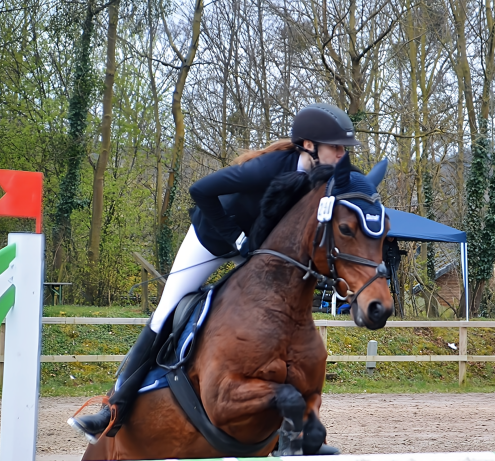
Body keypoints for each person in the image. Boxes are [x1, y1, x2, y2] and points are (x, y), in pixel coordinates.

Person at [68, 103, 361, 442]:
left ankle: (295, 428)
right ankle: (113, 409)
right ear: (309, 145)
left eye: (343, 149)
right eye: (336, 147)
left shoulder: (324, 173)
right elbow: (201, 190)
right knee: (166, 311)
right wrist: (235, 239)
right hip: (212, 238)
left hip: (258, 249)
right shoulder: (265, 168)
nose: (342, 155)